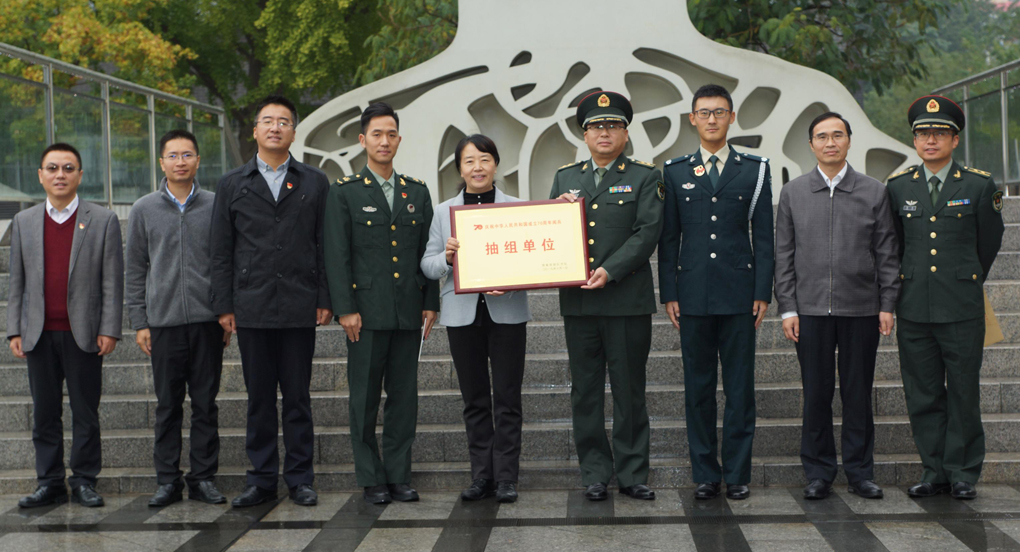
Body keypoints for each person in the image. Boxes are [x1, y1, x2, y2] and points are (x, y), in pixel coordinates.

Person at [210, 95, 332, 508]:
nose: (275, 127)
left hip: (300, 303)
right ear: (255, 131)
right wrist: (224, 305)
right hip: (252, 305)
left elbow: (324, 243)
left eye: (283, 121)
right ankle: (261, 479)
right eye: (268, 120)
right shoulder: (232, 183)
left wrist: (325, 297)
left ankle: (300, 479)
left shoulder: (314, 181)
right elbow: (220, 249)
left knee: (297, 397)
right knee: (259, 399)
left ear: (294, 132)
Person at [774, 112, 900, 500]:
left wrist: (888, 303)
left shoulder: (873, 192)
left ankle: (860, 472)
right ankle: (818, 472)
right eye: (822, 136)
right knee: (816, 393)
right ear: (811, 144)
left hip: (861, 308)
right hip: (810, 310)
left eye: (837, 135)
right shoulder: (793, 193)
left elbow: (887, 252)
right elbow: (783, 254)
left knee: (857, 393)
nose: (830, 142)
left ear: (848, 140)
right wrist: (788, 307)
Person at [658, 84, 773, 501]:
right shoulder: (675, 171)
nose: (711, 119)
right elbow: (669, 238)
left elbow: (765, 236)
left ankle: (737, 473)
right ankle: (706, 473)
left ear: (732, 117)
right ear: (692, 119)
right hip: (692, 294)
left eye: (719, 112)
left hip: (740, 293)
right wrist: (669, 292)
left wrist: (763, 291)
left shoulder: (754, 169)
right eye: (704, 112)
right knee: (698, 388)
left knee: (740, 388)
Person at [887, 95, 1004, 500]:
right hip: (914, 306)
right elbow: (896, 244)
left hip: (961, 307)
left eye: (939, 133)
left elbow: (988, 242)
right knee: (922, 392)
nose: (931, 140)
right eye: (923, 133)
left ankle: (963, 472)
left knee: (963, 391)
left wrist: (963, 278)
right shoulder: (899, 186)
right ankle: (933, 470)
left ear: (955, 140)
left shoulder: (978, 184)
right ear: (915, 140)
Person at [323, 102, 440, 505]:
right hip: (365, 313)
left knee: (404, 399)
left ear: (399, 139)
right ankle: (371, 477)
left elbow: (428, 250)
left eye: (391, 134)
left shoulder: (417, 191)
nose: (384, 141)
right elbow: (336, 255)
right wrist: (345, 308)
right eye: (377, 134)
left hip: (408, 310)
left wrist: (430, 301)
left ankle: (398, 475)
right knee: (365, 398)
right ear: (362, 140)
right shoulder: (344, 192)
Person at [550, 91, 663, 502]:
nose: (604, 133)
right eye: (596, 127)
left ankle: (632, 472)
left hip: (626, 300)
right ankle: (595, 472)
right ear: (584, 135)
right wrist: (555, 211)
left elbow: (647, 232)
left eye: (613, 126)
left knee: (629, 389)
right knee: (585, 391)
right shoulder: (566, 178)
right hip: (579, 303)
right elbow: (550, 233)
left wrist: (610, 269)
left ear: (625, 134)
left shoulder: (646, 176)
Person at [7, 143, 123, 508]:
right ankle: (50, 482)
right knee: (45, 413)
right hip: (38, 333)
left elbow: (112, 281)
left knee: (85, 412)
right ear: (40, 175)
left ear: (80, 175)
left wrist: (109, 328)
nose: (60, 175)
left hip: (83, 333)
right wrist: (14, 330)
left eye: (68, 168)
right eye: (53, 168)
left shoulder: (102, 220)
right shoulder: (24, 222)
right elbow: (17, 282)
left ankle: (85, 480)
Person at [420, 135, 531, 504]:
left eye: (484, 159)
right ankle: (482, 475)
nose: (478, 167)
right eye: (469, 161)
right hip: (462, 314)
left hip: (507, 312)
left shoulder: (517, 208)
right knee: (474, 399)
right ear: (460, 169)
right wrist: (447, 258)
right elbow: (428, 264)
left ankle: (507, 477)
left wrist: (511, 282)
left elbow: (530, 260)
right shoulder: (443, 212)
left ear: (495, 164)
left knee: (508, 397)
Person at [126, 129, 230, 507]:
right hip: (163, 323)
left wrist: (225, 311)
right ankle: (168, 480)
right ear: (162, 162)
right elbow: (135, 268)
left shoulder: (216, 205)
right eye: (173, 155)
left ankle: (202, 478)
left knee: (205, 403)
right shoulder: (143, 209)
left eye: (187, 155)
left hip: (207, 322)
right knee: (168, 405)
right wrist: (140, 321)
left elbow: (226, 262)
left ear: (198, 161)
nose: (180, 162)